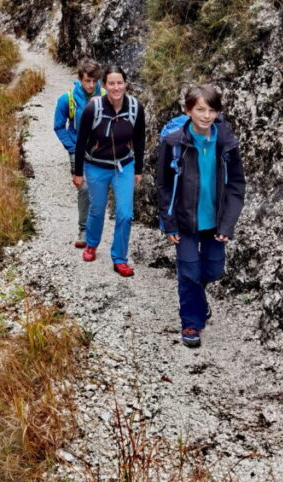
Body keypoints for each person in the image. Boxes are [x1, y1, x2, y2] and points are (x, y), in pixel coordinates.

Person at [156, 84, 245, 349]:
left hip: (215, 221)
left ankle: (198, 300)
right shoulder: (173, 143)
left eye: (212, 110)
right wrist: (168, 221)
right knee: (189, 271)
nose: (206, 116)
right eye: (200, 110)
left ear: (218, 112)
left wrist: (228, 223)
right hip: (184, 222)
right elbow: (163, 185)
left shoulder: (227, 144)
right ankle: (191, 323)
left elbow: (237, 184)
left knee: (214, 270)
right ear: (188, 111)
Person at [73, 64, 145, 276]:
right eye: (111, 83)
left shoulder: (135, 107)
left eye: (120, 83)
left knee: (125, 213)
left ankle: (119, 258)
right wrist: (78, 172)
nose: (116, 87)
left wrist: (138, 169)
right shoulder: (92, 109)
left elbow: (139, 139)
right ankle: (92, 243)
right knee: (97, 208)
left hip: (124, 165)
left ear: (125, 84)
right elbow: (81, 141)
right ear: (104, 85)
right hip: (96, 166)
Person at [54, 59, 103, 248]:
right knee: (83, 187)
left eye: (94, 81)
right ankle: (84, 229)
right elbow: (59, 126)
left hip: (102, 149)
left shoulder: (106, 95)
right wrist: (72, 148)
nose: (91, 85)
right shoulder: (67, 99)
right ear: (80, 79)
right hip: (79, 149)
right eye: (87, 81)